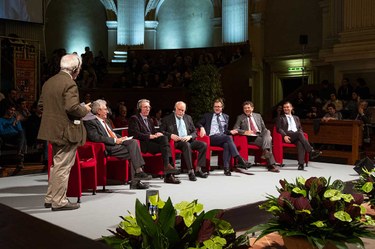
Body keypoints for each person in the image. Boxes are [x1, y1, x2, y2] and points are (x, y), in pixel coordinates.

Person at [38, 54, 91, 211]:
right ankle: (59, 201)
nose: (79, 72)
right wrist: (85, 109)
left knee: (56, 165)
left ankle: (50, 198)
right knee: (63, 167)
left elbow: (41, 105)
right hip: (66, 131)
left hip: (51, 130)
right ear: (75, 69)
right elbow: (72, 108)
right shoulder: (70, 84)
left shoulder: (49, 82)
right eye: (79, 69)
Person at [84, 99, 151, 189]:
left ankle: (138, 174)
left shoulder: (106, 121)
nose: (107, 111)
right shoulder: (91, 122)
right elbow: (95, 138)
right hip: (107, 147)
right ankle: (137, 178)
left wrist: (121, 138)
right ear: (98, 111)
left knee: (133, 143)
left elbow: (112, 133)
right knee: (133, 151)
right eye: (105, 109)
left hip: (116, 145)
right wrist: (115, 141)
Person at [128, 99, 180, 184]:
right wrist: (149, 136)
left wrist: (157, 133)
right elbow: (133, 134)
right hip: (142, 144)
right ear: (139, 108)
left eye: (149, 107)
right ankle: (169, 175)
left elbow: (153, 132)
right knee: (166, 148)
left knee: (164, 139)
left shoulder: (149, 119)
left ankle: (167, 167)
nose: (148, 109)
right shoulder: (134, 118)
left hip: (151, 142)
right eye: (145, 107)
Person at [196, 98, 250, 176]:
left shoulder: (226, 117)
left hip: (221, 138)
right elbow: (198, 123)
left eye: (219, 106)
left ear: (222, 107)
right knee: (228, 138)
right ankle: (238, 158)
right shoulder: (207, 116)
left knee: (227, 144)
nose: (217, 108)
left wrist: (230, 131)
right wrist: (201, 127)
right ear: (213, 107)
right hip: (211, 138)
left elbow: (225, 131)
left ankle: (226, 168)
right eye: (215, 106)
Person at [160, 101, 208, 181]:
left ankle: (198, 169)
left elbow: (194, 132)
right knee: (186, 145)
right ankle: (190, 171)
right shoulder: (167, 119)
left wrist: (189, 136)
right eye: (179, 110)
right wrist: (171, 135)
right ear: (175, 108)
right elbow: (161, 131)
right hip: (176, 142)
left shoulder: (188, 117)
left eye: (183, 110)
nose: (181, 112)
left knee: (203, 145)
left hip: (188, 140)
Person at [233, 101, 279, 173]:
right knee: (268, 140)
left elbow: (263, 128)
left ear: (252, 108)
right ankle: (271, 164)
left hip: (260, 134)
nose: (247, 109)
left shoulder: (258, 116)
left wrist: (267, 135)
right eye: (245, 108)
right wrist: (245, 132)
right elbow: (235, 129)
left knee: (267, 132)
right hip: (251, 137)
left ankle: (266, 151)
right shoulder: (240, 117)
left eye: (248, 108)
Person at [276, 101, 321, 170]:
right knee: (300, 134)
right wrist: (284, 136)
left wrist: (300, 134)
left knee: (300, 142)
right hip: (288, 135)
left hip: (296, 135)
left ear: (291, 108)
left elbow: (300, 128)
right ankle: (311, 151)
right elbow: (279, 129)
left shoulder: (296, 118)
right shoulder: (280, 117)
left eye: (287, 107)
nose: (286, 108)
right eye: (284, 107)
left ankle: (301, 164)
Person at [0, 103, 27, 168]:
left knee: (22, 132)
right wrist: (12, 123)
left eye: (14, 110)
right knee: (23, 139)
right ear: (6, 110)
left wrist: (16, 121)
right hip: (6, 138)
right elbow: (2, 132)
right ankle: (20, 160)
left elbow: (20, 131)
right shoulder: (1, 120)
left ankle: (19, 153)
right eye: (11, 110)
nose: (13, 112)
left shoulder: (15, 120)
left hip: (15, 138)